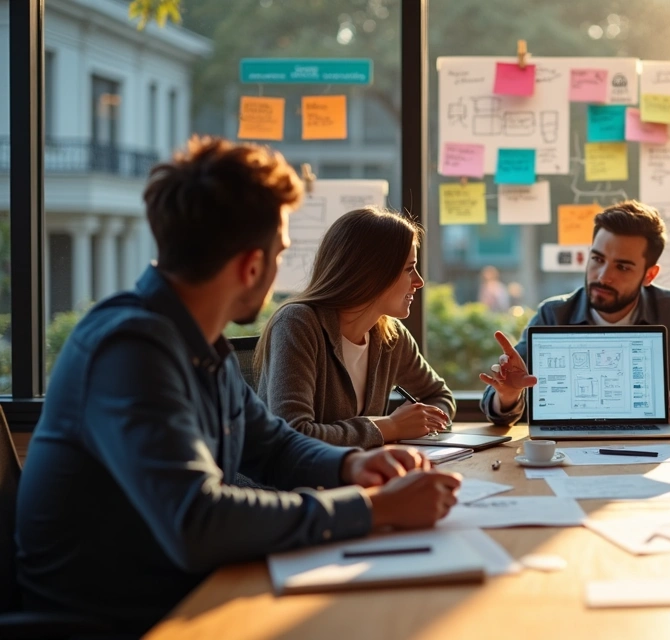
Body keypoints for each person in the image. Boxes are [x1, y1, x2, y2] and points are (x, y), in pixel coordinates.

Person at [15, 136, 461, 635]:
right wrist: (372, 507)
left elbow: (272, 444)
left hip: (184, 591)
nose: (278, 272)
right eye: (280, 255)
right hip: (121, 619)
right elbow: (197, 520)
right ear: (252, 265)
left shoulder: (199, 344)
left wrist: (353, 462)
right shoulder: (131, 349)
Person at [479, 200, 670, 429]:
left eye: (622, 267)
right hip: (565, 450)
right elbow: (500, 407)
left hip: (655, 452)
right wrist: (508, 396)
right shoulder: (553, 314)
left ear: (649, 275)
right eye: (597, 259)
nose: (603, 276)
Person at [255, 207, 455, 448]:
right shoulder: (297, 324)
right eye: (409, 269)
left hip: (367, 475)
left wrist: (424, 420)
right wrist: (390, 427)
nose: (419, 282)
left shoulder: (391, 336)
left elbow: (439, 396)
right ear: (372, 274)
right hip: (302, 484)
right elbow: (293, 435)